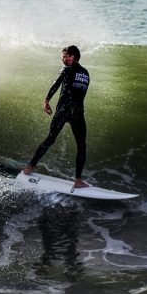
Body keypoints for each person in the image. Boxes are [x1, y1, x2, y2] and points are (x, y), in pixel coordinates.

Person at [23, 45, 91, 188]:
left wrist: (47, 100)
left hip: (63, 111)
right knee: (81, 146)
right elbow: (79, 93)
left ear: (72, 57)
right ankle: (78, 180)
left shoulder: (67, 69)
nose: (62, 59)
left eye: (64, 56)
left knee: (50, 139)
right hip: (78, 113)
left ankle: (30, 167)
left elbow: (57, 84)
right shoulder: (85, 74)